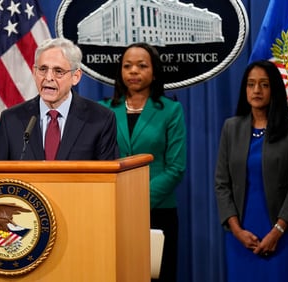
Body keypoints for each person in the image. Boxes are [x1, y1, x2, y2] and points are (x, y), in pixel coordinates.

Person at [214, 60, 288, 281]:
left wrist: (277, 231)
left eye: (264, 85)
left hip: (283, 233)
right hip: (241, 236)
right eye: (251, 84)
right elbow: (221, 183)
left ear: (274, 88)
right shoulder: (231, 128)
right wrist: (236, 230)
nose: (256, 90)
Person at [99, 42, 186, 281]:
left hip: (158, 211)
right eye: (127, 66)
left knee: (157, 275)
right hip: (112, 211)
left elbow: (176, 167)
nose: (134, 71)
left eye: (141, 66)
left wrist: (137, 199)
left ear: (154, 71)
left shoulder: (171, 110)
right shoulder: (103, 110)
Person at [0, 37, 118, 160]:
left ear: (76, 77)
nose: (48, 77)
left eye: (58, 71)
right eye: (43, 69)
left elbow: (108, 178)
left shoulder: (100, 119)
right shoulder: (11, 119)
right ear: (34, 72)